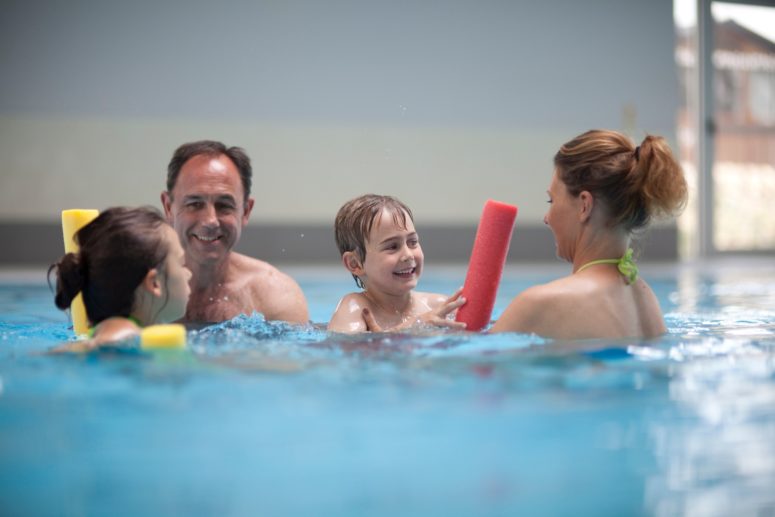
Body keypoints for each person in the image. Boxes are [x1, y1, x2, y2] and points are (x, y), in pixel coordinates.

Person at [491, 129, 687, 339]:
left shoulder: (539, 304)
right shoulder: (646, 299)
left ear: (584, 205)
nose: (546, 218)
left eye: (552, 201)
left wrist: (452, 327)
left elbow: (479, 362)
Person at [160, 140, 309, 324]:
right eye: (194, 204)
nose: (210, 221)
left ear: (245, 211)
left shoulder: (275, 299)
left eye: (224, 206)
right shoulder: (136, 290)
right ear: (168, 207)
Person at [50, 207, 191, 349]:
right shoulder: (125, 333)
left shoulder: (100, 331)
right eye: (181, 263)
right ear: (154, 283)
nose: (188, 274)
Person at [328, 194, 466, 333]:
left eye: (412, 242)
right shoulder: (355, 307)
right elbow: (343, 344)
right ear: (355, 263)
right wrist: (416, 325)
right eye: (392, 247)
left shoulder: (437, 306)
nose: (408, 255)